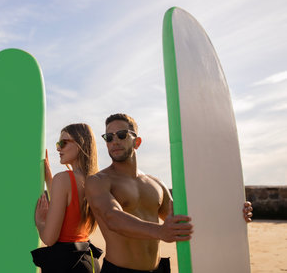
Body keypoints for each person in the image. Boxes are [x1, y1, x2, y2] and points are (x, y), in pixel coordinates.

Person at [85, 113, 253, 273]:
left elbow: (184, 218)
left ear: (137, 142)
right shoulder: (99, 181)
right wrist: (160, 231)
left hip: (159, 269)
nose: (114, 141)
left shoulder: (155, 183)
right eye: (109, 137)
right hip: (119, 270)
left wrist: (233, 215)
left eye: (121, 135)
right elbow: (112, 218)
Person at [31, 123, 103, 273]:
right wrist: (49, 177)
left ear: (80, 144)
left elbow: (49, 239)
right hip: (89, 260)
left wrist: (40, 222)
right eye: (58, 144)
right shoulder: (95, 180)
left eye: (63, 143)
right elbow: (69, 203)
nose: (58, 148)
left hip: (66, 264)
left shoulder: (63, 179)